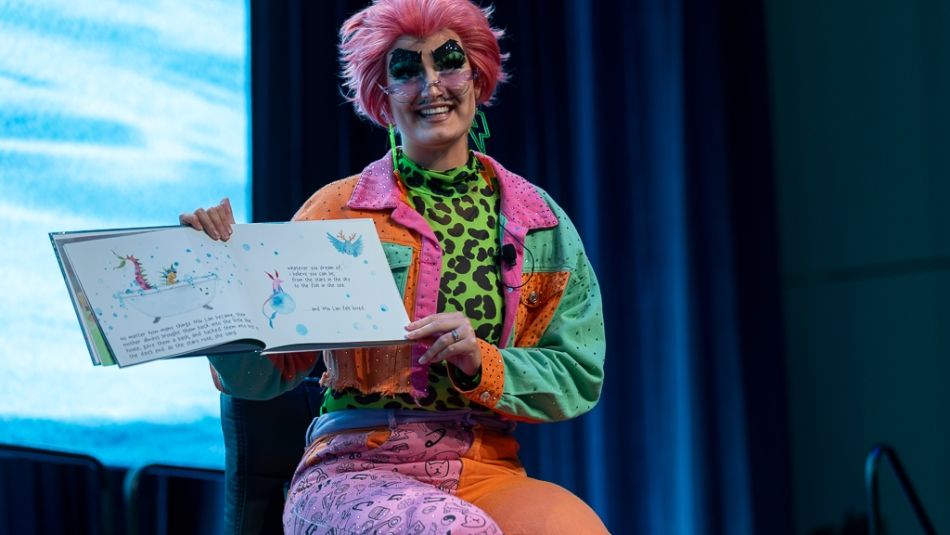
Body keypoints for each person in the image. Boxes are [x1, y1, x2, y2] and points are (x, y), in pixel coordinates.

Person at [181, 0, 607, 532]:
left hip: (485, 467)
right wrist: (217, 294)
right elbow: (265, 379)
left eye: (447, 62)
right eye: (406, 71)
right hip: (353, 467)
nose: (431, 86)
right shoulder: (338, 211)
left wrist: (484, 361)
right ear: (382, 96)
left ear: (476, 73)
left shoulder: (538, 221)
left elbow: (578, 371)